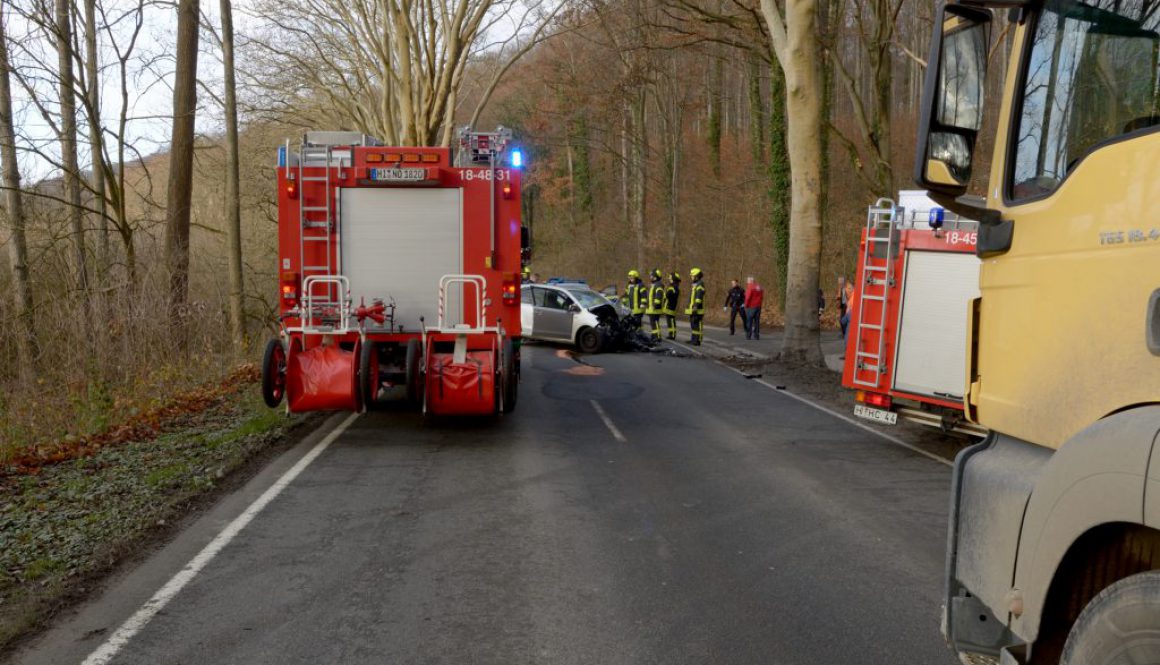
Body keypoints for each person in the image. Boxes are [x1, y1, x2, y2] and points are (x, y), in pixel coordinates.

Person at [685, 268, 706, 346]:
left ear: (696, 276)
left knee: (696, 325)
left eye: (692, 276)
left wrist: (696, 306)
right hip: (693, 309)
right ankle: (693, 339)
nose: (691, 277)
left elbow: (698, 296)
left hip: (698, 309)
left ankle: (697, 340)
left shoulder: (700, 284)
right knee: (693, 325)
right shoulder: (695, 284)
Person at [645, 269, 665, 342]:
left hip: (655, 309)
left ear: (655, 277)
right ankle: (654, 336)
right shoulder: (654, 285)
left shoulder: (658, 285)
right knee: (653, 323)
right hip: (652, 308)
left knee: (655, 323)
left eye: (651, 275)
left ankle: (658, 337)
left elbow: (658, 296)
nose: (650, 277)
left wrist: (655, 305)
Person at [744, 276, 764, 340]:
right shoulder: (759, 287)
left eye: (747, 281)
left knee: (749, 321)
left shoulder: (750, 287)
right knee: (757, 321)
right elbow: (761, 297)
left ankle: (748, 335)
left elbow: (747, 298)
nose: (747, 282)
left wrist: (746, 305)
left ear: (750, 281)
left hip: (751, 306)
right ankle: (756, 335)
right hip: (758, 306)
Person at [663, 272, 681, 340]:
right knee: (669, 321)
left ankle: (672, 335)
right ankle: (671, 334)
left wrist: (666, 294)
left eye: (670, 278)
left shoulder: (674, 287)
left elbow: (669, 295)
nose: (669, 279)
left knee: (671, 321)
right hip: (669, 306)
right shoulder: (672, 287)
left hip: (671, 306)